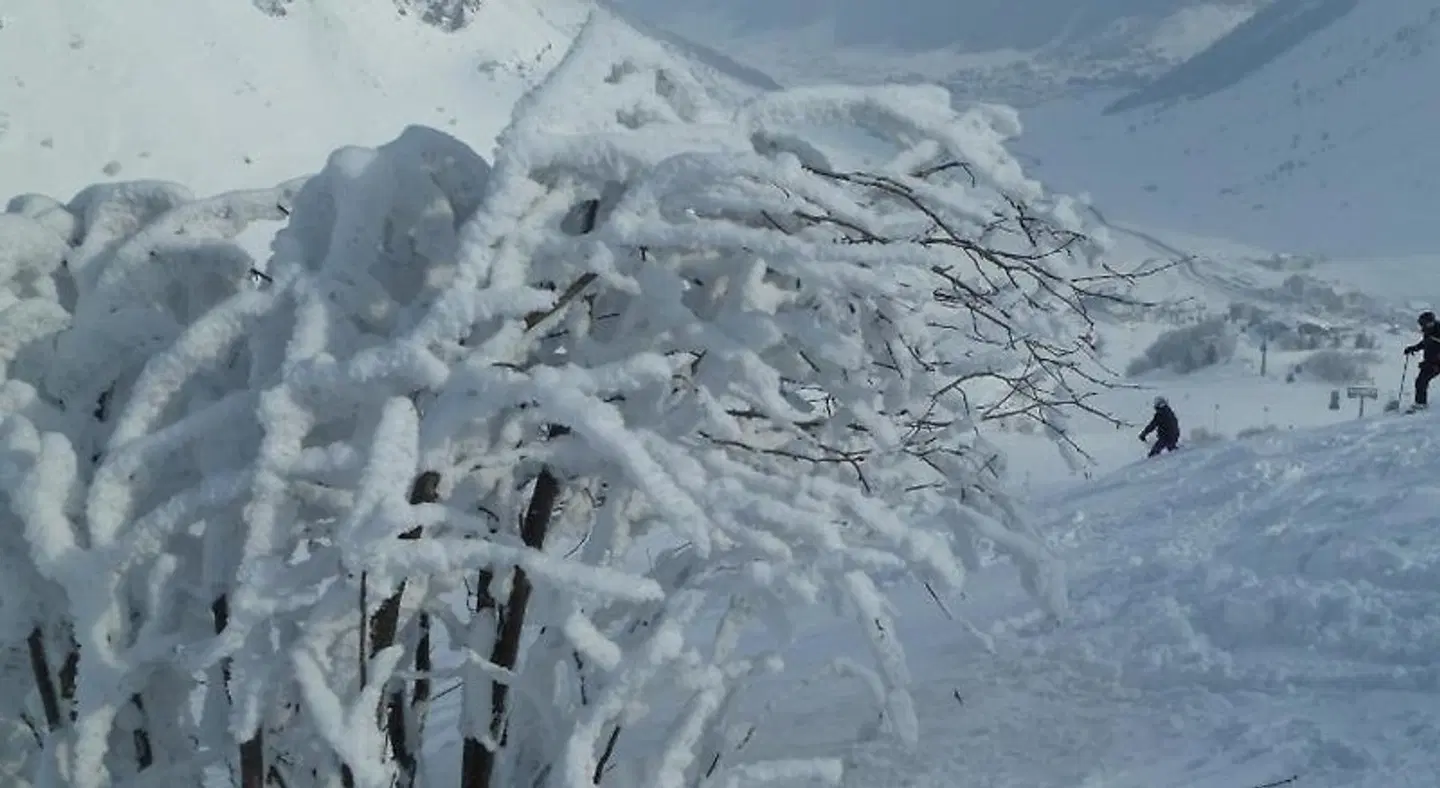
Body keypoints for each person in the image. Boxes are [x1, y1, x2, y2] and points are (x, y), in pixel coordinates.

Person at [1403, 310, 1440, 411]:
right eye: (1421, 324)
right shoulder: (1429, 331)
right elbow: (1425, 343)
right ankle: (1420, 403)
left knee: (1421, 381)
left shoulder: (1438, 330)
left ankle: (1421, 404)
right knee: (1420, 381)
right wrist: (1413, 348)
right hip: (1430, 361)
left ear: (1430, 322)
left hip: (1436, 363)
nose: (1422, 327)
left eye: (1423, 324)